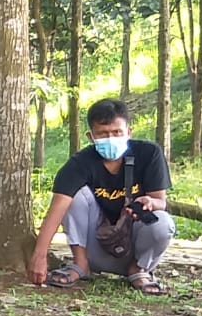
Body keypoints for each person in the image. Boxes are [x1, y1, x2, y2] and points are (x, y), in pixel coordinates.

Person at [29, 97, 175, 295]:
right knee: (75, 195)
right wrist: (39, 255)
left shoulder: (149, 154)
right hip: (95, 245)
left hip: (135, 242)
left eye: (117, 132)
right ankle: (80, 264)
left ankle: (139, 270)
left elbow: (161, 201)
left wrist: (150, 202)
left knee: (163, 222)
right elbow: (58, 208)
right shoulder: (80, 163)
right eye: (103, 134)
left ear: (129, 132)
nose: (111, 139)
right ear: (91, 136)